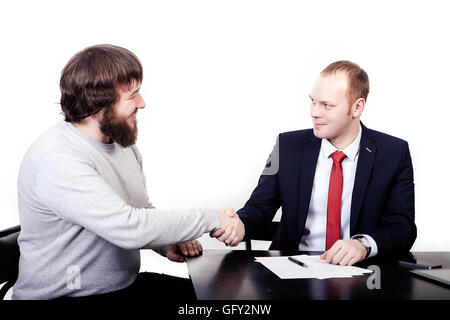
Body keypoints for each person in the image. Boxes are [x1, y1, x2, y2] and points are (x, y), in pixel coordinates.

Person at [12, 44, 244, 300]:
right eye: (132, 95)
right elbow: (129, 227)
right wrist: (214, 218)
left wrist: (167, 243)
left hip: (120, 288)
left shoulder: (121, 143)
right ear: (97, 102)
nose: (142, 103)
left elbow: (140, 211)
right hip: (65, 297)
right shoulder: (57, 158)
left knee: (219, 298)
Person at [237, 60, 416, 266]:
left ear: (357, 107)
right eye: (313, 101)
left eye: (327, 105)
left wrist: (363, 245)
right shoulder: (287, 146)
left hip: (360, 272)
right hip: (292, 267)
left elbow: (403, 228)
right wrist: (235, 224)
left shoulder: (393, 152)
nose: (314, 112)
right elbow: (259, 209)